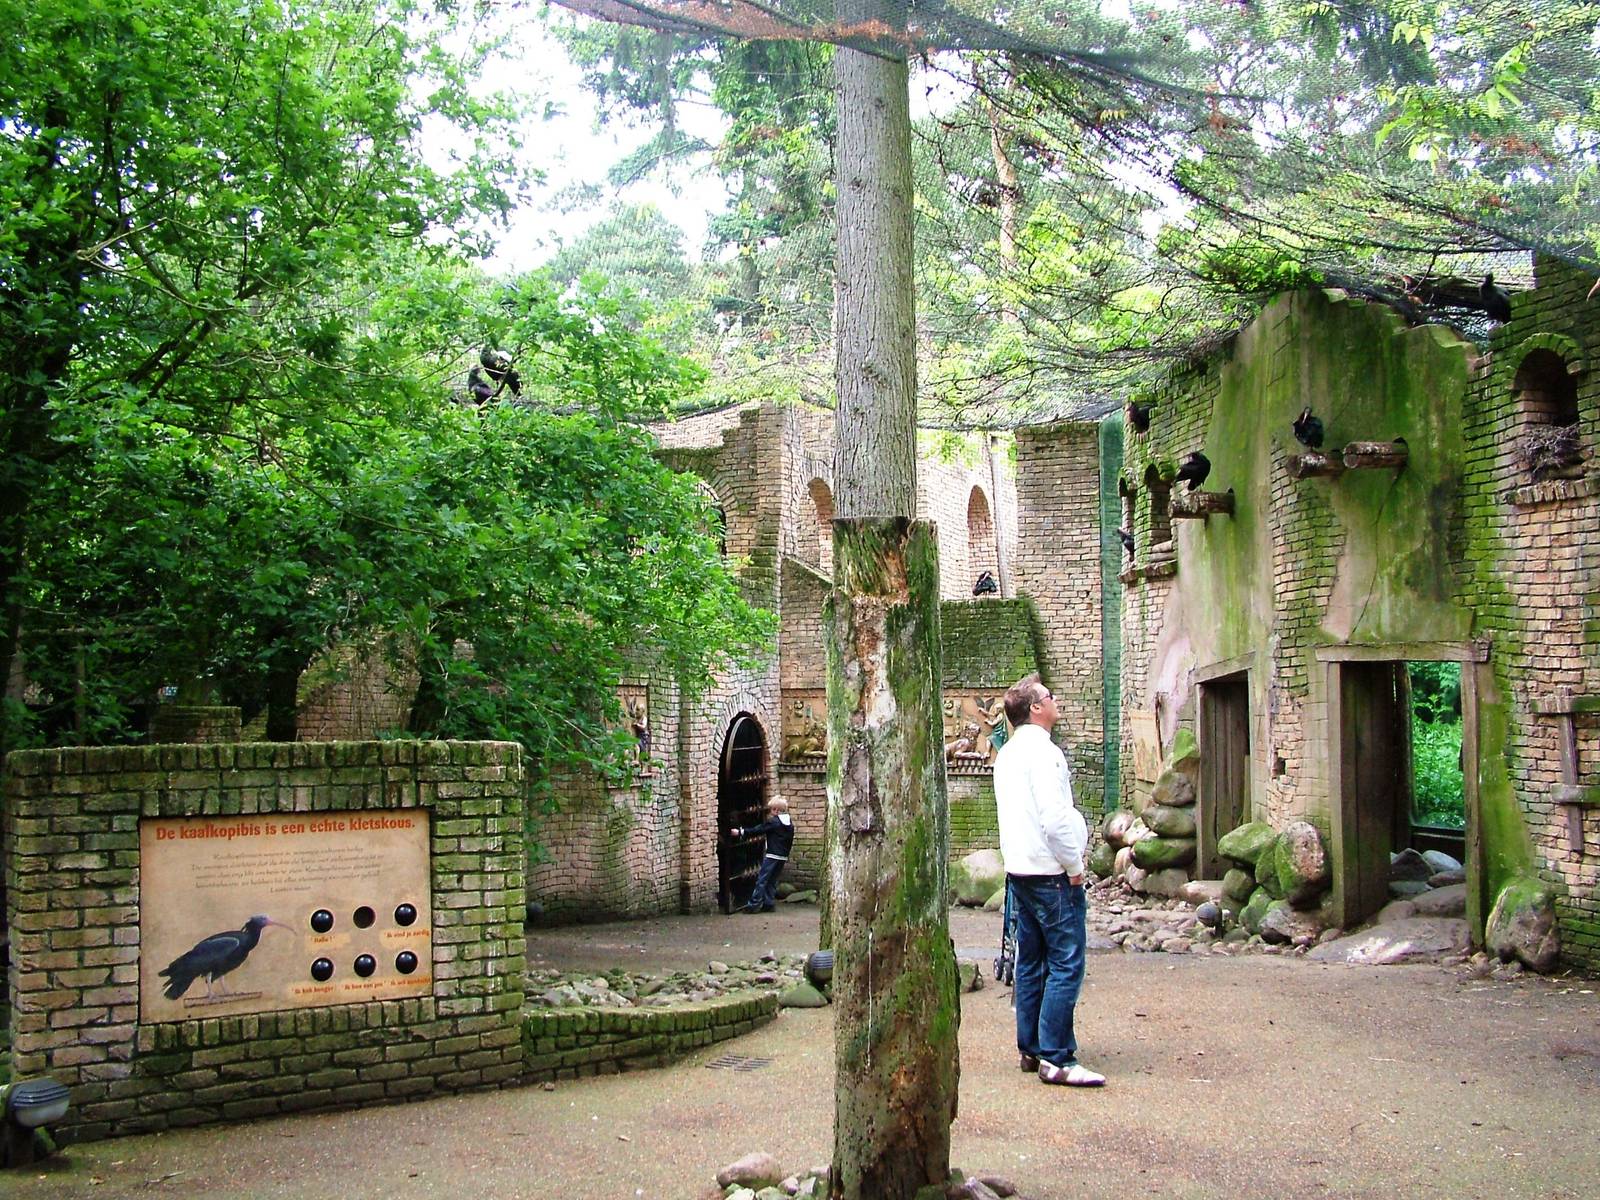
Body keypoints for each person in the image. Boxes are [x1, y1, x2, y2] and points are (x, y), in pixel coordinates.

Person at [992, 673, 1105, 1087]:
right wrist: (1074, 867)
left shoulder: (1006, 754)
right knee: (1066, 963)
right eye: (1049, 696)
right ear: (1036, 708)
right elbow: (1054, 820)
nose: (1055, 700)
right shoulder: (1046, 754)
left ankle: (1032, 1047)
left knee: (1031, 960)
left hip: (1019, 871)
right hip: (1051, 874)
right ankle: (1057, 1057)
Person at [729, 797, 793, 914]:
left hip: (772, 855)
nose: (770, 812)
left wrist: (741, 832)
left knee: (762, 880)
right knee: (772, 880)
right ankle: (769, 903)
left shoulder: (774, 822)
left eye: (772, 809)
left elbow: (759, 829)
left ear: (776, 810)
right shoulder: (789, 823)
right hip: (782, 856)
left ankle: (753, 904)